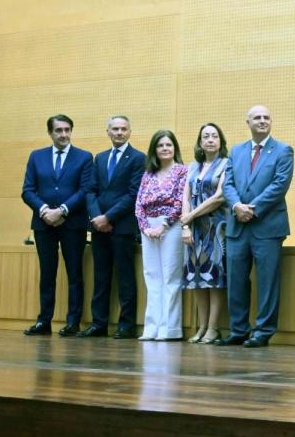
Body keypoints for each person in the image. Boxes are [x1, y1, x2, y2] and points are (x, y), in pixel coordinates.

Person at [217, 105, 294, 348]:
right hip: (237, 226)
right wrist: (237, 206)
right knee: (236, 280)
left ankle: (263, 331)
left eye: (266, 117)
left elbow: (280, 185)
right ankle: (238, 329)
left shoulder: (283, 150)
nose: (262, 121)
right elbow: (227, 184)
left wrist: (252, 208)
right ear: (247, 122)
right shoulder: (236, 151)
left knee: (267, 281)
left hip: (267, 226)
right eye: (257, 118)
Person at [21, 114, 94, 337]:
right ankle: (44, 321)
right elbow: (28, 190)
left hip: (72, 223)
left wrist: (62, 210)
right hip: (43, 224)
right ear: (50, 133)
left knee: (74, 273)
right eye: (58, 130)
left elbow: (84, 190)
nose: (63, 134)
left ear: (71, 131)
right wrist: (45, 211)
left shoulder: (84, 157)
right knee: (47, 273)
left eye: (67, 130)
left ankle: (73, 322)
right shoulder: (37, 156)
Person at [81, 115, 145, 339]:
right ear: (107, 132)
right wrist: (97, 217)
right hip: (99, 227)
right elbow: (91, 191)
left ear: (129, 132)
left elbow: (133, 193)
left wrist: (108, 217)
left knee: (125, 277)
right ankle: (99, 323)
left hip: (123, 226)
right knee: (101, 276)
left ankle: (126, 325)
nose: (119, 133)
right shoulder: (100, 158)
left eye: (123, 129)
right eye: (115, 129)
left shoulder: (138, 158)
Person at [135, 130, 188, 341]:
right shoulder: (148, 174)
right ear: (154, 150)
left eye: (169, 145)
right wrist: (145, 227)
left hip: (172, 226)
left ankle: (169, 329)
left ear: (174, 148)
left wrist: (163, 225)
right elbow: (139, 203)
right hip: (148, 229)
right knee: (152, 277)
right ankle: (152, 327)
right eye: (160, 145)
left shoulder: (183, 172)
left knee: (170, 277)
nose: (165, 148)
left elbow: (179, 202)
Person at [180, 123, 229, 344]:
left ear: (220, 141)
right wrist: (185, 225)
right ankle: (201, 326)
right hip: (194, 231)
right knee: (196, 279)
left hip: (216, 229)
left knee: (213, 278)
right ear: (200, 142)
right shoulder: (192, 167)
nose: (210, 139)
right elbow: (186, 198)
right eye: (205, 136)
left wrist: (191, 216)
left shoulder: (227, 164)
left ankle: (213, 327)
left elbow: (220, 197)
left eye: (214, 136)